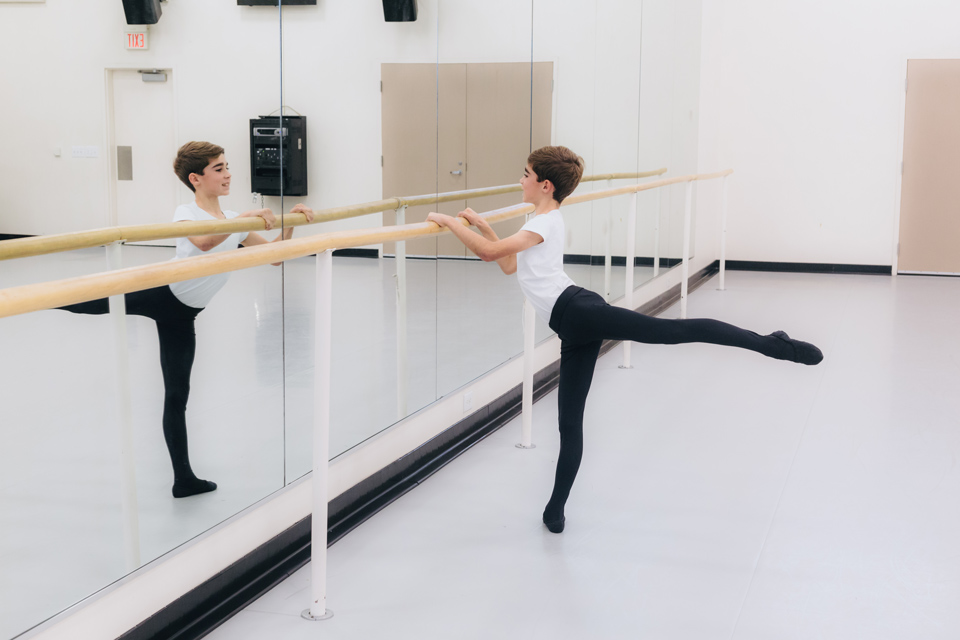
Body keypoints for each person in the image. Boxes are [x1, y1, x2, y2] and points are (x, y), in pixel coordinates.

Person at [426, 145, 822, 533]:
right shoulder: (541, 220)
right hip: (571, 327)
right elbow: (509, 264)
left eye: (526, 174)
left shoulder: (544, 224)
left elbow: (490, 255)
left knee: (675, 332)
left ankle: (773, 344)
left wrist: (449, 222)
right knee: (569, 423)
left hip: (580, 311)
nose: (520, 180)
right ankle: (555, 510)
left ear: (545, 185)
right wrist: (481, 226)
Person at [60, 141, 315, 498]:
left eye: (227, 167)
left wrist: (293, 221)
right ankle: (19, 300)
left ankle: (184, 480)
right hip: (159, 290)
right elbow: (204, 242)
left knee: (177, 395)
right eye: (218, 169)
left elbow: (275, 256)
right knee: (80, 299)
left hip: (183, 314)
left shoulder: (234, 221)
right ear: (196, 178)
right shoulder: (186, 213)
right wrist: (242, 220)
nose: (228, 175)